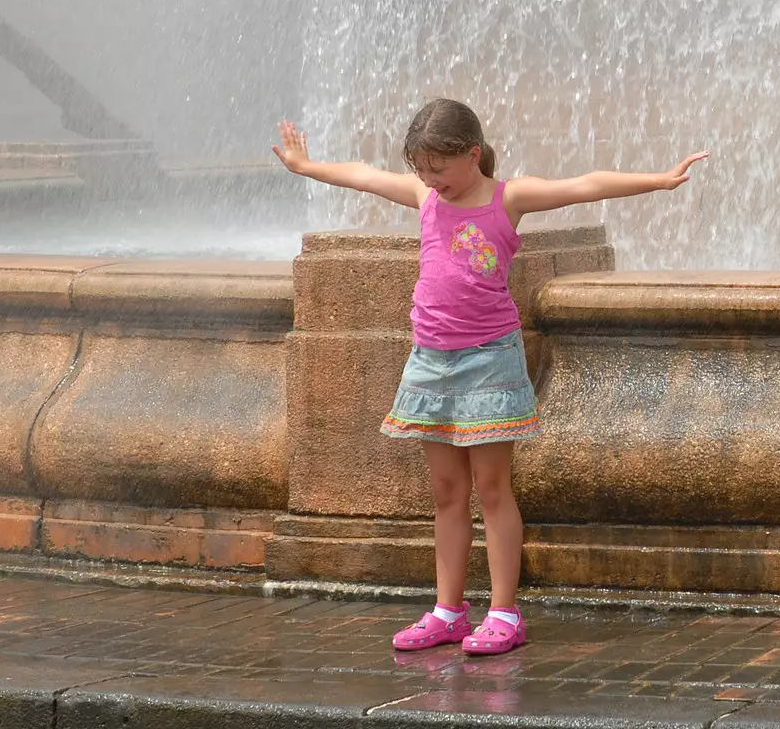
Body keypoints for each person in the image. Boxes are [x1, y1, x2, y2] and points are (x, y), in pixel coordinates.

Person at [273, 99, 706, 655]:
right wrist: (308, 167)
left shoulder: (509, 199)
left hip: (489, 360)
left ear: (472, 155)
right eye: (421, 170)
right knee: (447, 492)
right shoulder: (425, 198)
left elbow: (584, 185)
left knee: (493, 491)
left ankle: (504, 612)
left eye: (439, 168)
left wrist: (658, 180)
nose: (430, 180)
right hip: (430, 360)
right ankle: (448, 611)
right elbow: (363, 177)